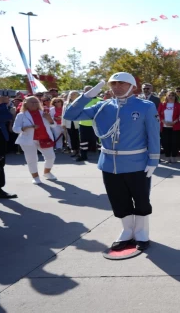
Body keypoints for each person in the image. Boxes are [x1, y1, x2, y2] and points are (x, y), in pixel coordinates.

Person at [63, 72, 160, 251]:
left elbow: (153, 134)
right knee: (118, 200)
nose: (117, 87)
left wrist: (153, 160)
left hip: (136, 162)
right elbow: (70, 115)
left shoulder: (146, 107)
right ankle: (126, 230)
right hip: (109, 162)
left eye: (121, 83)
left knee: (140, 200)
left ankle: (141, 232)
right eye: (113, 84)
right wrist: (87, 96)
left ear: (132, 86)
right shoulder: (101, 106)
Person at [13, 96, 57, 184]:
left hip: (44, 139)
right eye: (31, 102)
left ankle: (47, 172)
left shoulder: (44, 113)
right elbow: (15, 128)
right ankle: (35, 177)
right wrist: (25, 128)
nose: (34, 104)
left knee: (51, 157)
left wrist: (49, 119)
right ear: (26, 104)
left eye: (36, 102)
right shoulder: (21, 115)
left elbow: (54, 125)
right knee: (32, 159)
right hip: (28, 140)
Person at [76, 85, 102, 162]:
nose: (88, 91)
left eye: (90, 90)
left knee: (99, 142)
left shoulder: (100, 100)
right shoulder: (80, 100)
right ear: (84, 91)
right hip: (83, 124)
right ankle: (83, 156)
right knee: (83, 141)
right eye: (86, 90)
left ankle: (102, 157)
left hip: (96, 124)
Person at [158, 91, 180, 163]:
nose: (171, 97)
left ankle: (174, 157)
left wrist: (174, 122)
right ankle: (167, 157)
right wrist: (163, 121)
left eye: (172, 95)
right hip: (164, 127)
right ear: (166, 96)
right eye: (169, 95)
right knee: (165, 143)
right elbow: (158, 114)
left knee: (175, 142)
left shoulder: (178, 105)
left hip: (175, 127)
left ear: (175, 97)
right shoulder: (162, 104)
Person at [63, 91, 82, 158]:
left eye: (74, 94)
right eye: (71, 94)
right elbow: (63, 114)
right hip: (69, 123)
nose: (72, 95)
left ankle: (80, 150)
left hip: (78, 122)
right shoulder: (66, 103)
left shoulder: (80, 103)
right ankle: (74, 150)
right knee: (72, 137)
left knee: (79, 137)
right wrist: (63, 123)